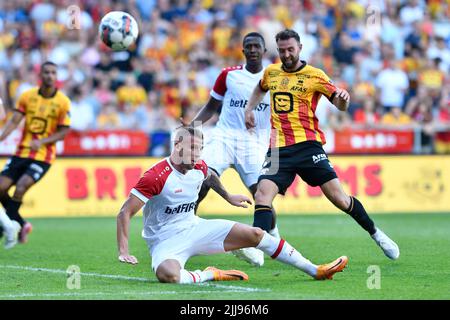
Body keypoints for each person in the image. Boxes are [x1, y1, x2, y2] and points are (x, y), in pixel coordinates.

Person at [116, 126, 348, 284]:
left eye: (200, 149)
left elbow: (209, 176)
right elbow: (125, 212)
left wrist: (228, 196)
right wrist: (124, 251)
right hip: (164, 240)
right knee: (170, 276)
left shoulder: (199, 166)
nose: (197, 155)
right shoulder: (155, 176)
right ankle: (209, 274)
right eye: (192, 148)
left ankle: (315, 270)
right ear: (177, 145)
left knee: (256, 234)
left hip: (194, 227)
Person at [244, 29, 400, 260]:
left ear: (300, 48)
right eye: (282, 50)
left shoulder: (315, 75)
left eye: (290, 49)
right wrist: (249, 108)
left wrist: (344, 99)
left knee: (340, 199)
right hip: (278, 149)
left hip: (308, 146)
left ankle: (376, 233)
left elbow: (338, 102)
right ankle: (255, 243)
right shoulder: (271, 72)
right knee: (262, 195)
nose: (286, 54)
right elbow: (260, 88)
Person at [187, 32, 276, 267]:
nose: (253, 50)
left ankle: (269, 237)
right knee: (203, 177)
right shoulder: (229, 75)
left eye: (257, 46)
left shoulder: (274, 78)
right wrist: (192, 127)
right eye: (249, 46)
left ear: (264, 51)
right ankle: (184, 226)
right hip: (224, 137)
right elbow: (211, 106)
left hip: (254, 143)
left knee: (261, 193)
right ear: (243, 50)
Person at [0, 61, 71, 248]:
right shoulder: (27, 96)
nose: (49, 75)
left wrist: (42, 142)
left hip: (43, 156)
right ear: (41, 75)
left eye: (53, 73)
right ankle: (21, 224)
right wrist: (2, 137)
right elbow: (15, 121)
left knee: (21, 186)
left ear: (57, 77)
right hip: (21, 152)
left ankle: (6, 227)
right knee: (1, 188)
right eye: (46, 72)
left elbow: (64, 132)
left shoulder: (63, 102)